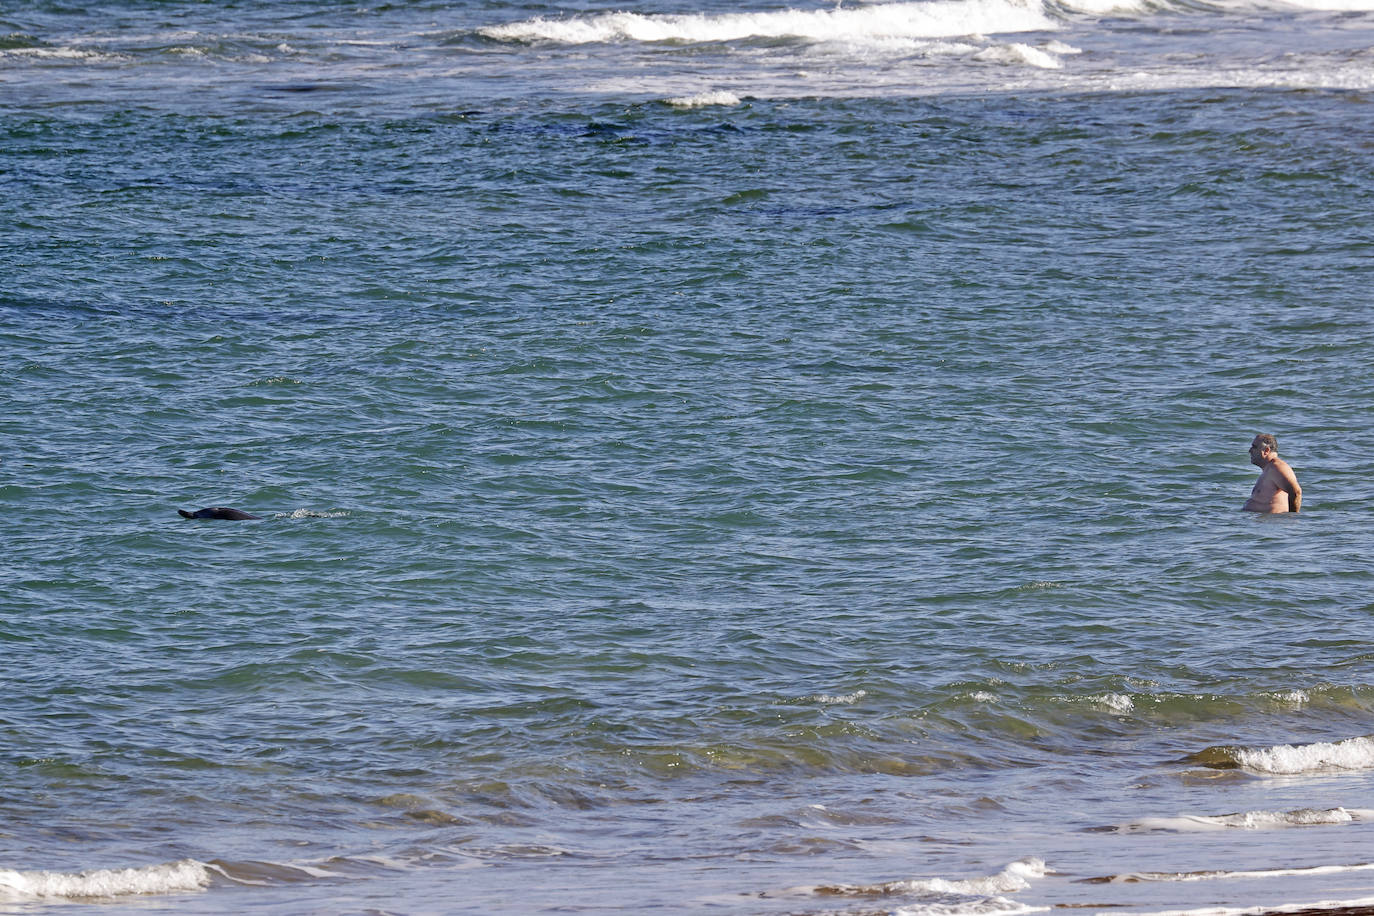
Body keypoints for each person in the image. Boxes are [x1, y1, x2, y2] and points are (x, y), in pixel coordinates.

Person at [1243, 434, 1301, 513]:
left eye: (1254, 447)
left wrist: (1292, 518)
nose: (1250, 451)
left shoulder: (1277, 467)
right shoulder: (1269, 469)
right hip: (1261, 522)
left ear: (1266, 451)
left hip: (1272, 523)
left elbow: (1296, 492)